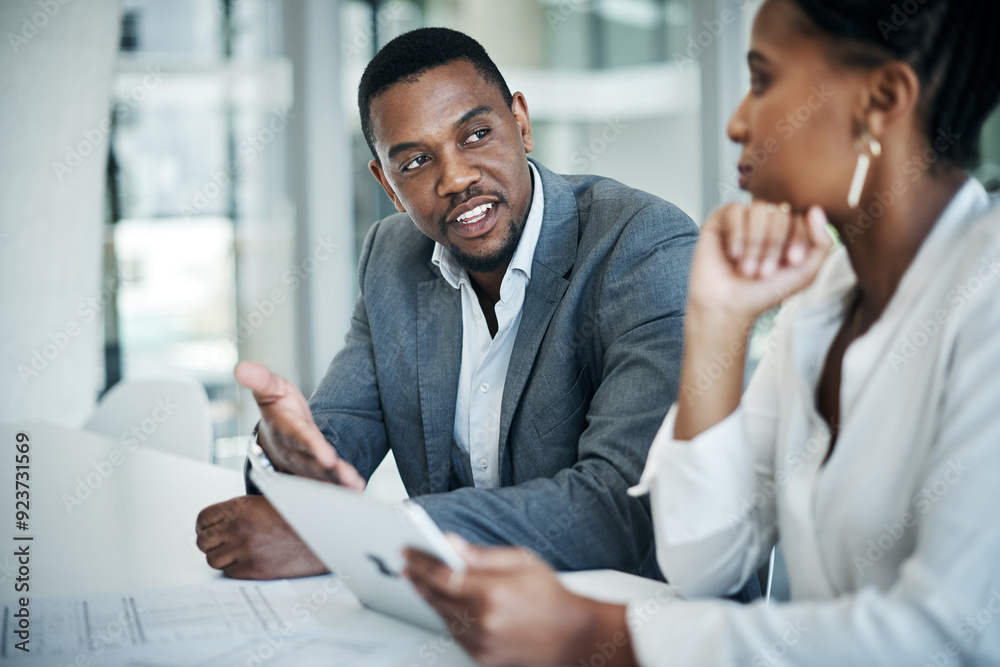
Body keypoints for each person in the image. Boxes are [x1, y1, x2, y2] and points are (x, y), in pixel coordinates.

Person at [403, 0, 1000, 664]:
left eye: (763, 80)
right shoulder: (826, 299)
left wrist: (599, 633)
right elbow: (701, 560)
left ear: (882, 98)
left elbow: (949, 637)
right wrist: (719, 321)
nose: (738, 121)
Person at [194, 27, 725, 588]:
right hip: (457, 618)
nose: (456, 178)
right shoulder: (391, 257)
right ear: (388, 184)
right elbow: (336, 439)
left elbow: (619, 507)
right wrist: (283, 458)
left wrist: (368, 535)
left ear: (520, 124)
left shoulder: (645, 245)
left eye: (475, 135)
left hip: (632, 621)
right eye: (417, 161)